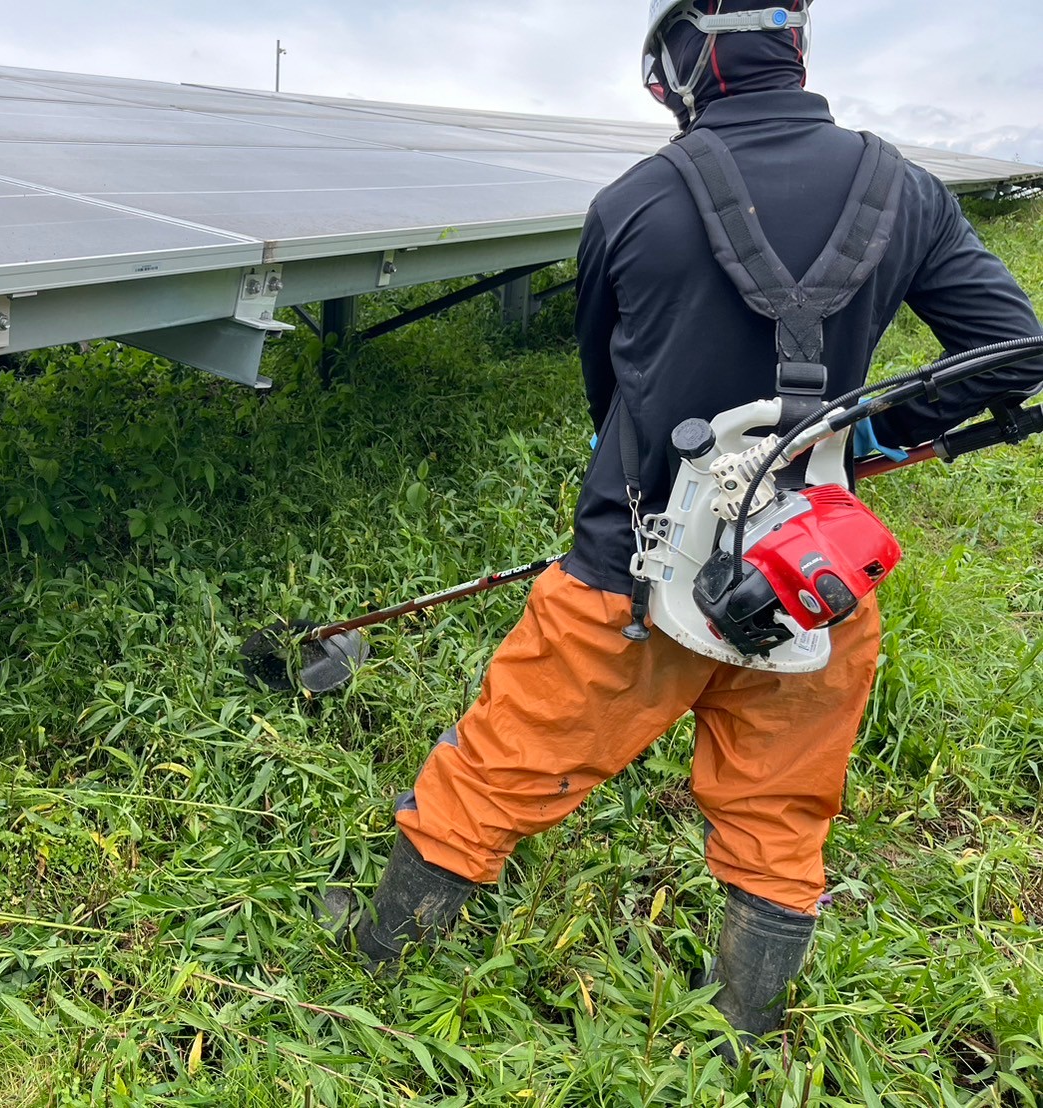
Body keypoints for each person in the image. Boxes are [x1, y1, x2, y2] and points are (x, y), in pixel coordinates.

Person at [328, 0, 1043, 1050]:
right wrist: (866, 443)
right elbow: (1013, 352)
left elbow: (606, 388)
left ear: (680, 64)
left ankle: (385, 959)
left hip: (627, 578)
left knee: (499, 766)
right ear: (794, 45)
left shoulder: (633, 202)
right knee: (781, 816)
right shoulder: (907, 194)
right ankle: (743, 1032)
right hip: (809, 581)